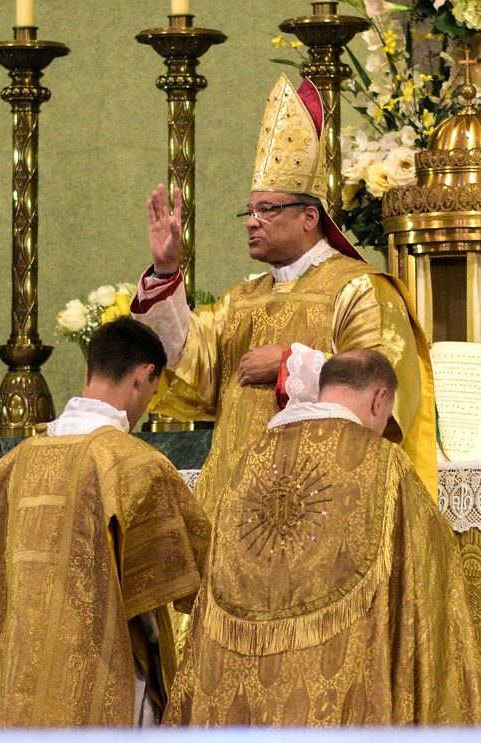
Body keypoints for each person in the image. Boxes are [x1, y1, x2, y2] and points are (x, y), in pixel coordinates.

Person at [133, 73, 438, 511]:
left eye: (267, 209)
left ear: (310, 217)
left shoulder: (360, 289)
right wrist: (165, 270)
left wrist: (289, 364)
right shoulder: (241, 300)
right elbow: (190, 368)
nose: (251, 221)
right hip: (234, 505)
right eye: (250, 210)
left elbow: (386, 394)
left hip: (318, 506)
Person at [166, 350, 481, 725]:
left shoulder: (247, 460)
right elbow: (429, 568)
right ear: (379, 399)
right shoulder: (384, 462)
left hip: (241, 690)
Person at [0, 317, 211, 728]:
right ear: (144, 377)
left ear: (89, 372)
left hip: (21, 684)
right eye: (154, 393)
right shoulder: (136, 465)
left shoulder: (13, 464)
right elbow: (201, 570)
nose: (146, 407)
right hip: (104, 681)